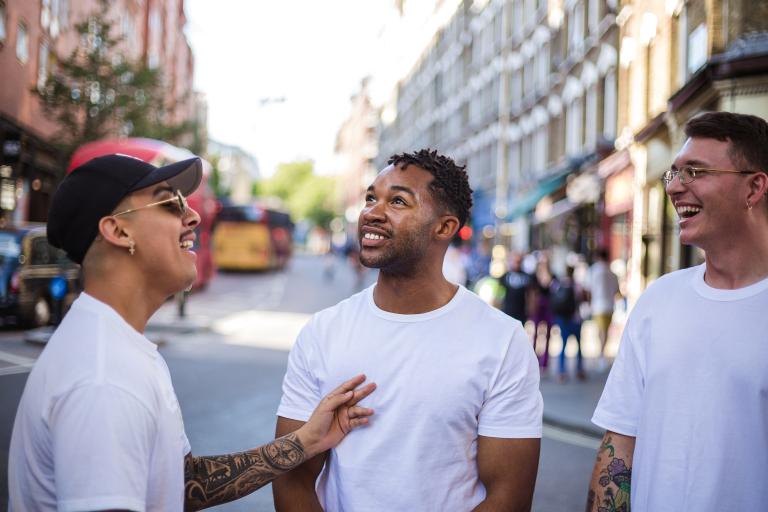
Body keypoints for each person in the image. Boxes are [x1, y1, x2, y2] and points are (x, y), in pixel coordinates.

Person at [8, 155, 376, 511]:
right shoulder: (104, 376)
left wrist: (305, 441)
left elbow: (181, 484)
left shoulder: (114, 346)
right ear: (118, 230)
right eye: (170, 203)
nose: (193, 215)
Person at [274, 149, 542, 511]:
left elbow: (508, 497)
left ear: (444, 227)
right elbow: (292, 479)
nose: (372, 212)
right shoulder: (323, 332)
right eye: (371, 198)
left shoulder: (502, 341)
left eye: (397, 201)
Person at [586, 111, 768, 511]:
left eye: (696, 172)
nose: (674, 188)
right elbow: (620, 442)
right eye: (674, 174)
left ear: (754, 187)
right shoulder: (658, 300)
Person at [550, 265, 585, 382]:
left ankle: (561, 371)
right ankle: (579, 370)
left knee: (563, 345)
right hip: (575, 319)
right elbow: (581, 301)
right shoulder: (577, 286)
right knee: (579, 346)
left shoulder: (558, 285)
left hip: (562, 318)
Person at [587, 248, 620, 371]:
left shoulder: (593, 270)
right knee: (605, 331)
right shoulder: (612, 272)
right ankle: (602, 354)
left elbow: (588, 289)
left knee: (600, 330)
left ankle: (600, 355)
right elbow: (617, 291)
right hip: (609, 305)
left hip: (597, 305)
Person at [530, 252, 555, 372]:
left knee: (548, 334)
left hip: (548, 305)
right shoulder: (534, 276)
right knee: (535, 333)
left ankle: (545, 361)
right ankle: (533, 358)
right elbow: (532, 292)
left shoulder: (553, 275)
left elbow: (553, 289)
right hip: (537, 305)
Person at [499, 250, 534, 324]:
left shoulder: (526, 277)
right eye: (514, 261)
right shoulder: (505, 276)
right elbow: (500, 294)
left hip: (521, 312)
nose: (516, 263)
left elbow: (530, 294)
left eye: (518, 261)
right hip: (507, 311)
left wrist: (530, 308)